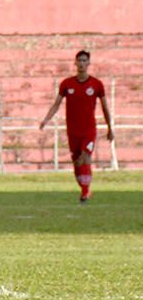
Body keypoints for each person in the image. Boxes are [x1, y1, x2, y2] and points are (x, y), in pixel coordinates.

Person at [40, 49, 115, 202]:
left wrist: (110, 129)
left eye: (84, 60)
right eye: (79, 60)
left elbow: (105, 108)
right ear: (75, 63)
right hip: (72, 131)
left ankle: (85, 193)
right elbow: (56, 104)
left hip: (89, 130)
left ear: (88, 63)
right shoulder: (67, 84)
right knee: (76, 162)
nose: (81, 63)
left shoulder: (97, 84)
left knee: (85, 158)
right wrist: (46, 119)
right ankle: (84, 188)